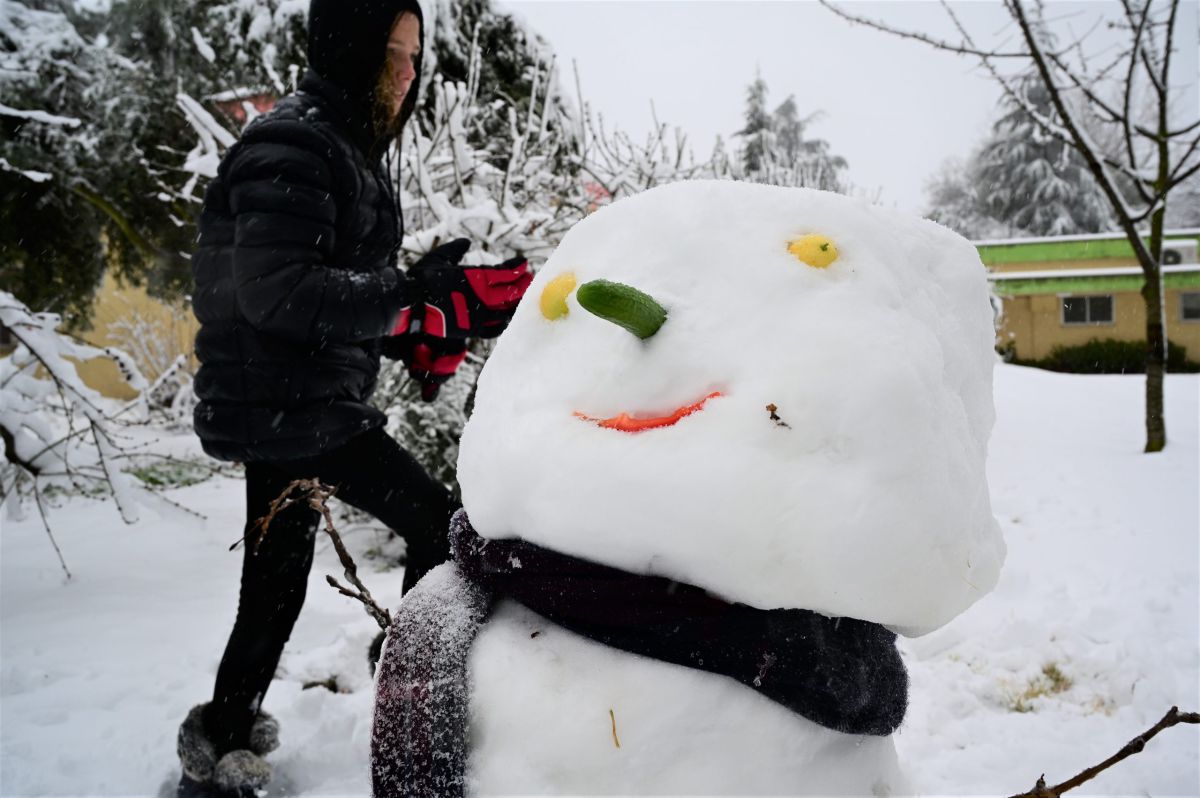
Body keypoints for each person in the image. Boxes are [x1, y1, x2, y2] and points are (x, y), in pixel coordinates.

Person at [176, 0, 531, 794]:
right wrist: (421, 299)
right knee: (441, 526)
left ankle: (221, 742)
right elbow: (276, 294)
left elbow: (332, 299)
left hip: (297, 402)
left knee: (275, 583)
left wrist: (420, 327)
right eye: (392, 56)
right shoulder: (293, 144)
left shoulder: (340, 148)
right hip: (291, 406)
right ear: (347, 53)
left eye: (414, 57)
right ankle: (411, 714)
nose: (408, 76)